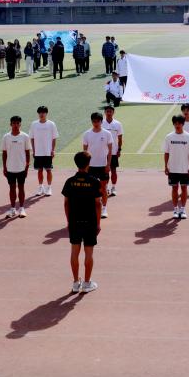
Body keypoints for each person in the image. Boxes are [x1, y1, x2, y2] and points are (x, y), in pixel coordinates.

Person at [62, 151, 102, 293]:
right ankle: (86, 283)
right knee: (89, 252)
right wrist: (98, 223)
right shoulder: (94, 182)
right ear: (88, 164)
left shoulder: (70, 181)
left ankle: (75, 283)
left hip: (74, 221)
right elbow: (98, 204)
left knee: (74, 251)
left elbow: (66, 203)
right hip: (90, 221)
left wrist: (68, 221)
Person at [164, 115, 189, 219]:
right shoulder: (169, 137)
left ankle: (182, 210)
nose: (177, 125)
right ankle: (175, 209)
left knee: (184, 188)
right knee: (174, 189)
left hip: (184, 169)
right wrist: (166, 166)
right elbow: (166, 153)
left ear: (183, 124)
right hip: (173, 168)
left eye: (179, 123)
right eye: (175, 123)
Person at [82, 112, 115, 218]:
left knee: (103, 187)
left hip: (103, 165)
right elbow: (85, 152)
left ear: (101, 122)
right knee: (90, 188)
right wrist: (85, 166)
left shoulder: (107, 134)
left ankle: (104, 208)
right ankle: (92, 207)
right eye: (94, 121)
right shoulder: (87, 134)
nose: (95, 123)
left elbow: (110, 151)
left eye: (98, 121)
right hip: (90, 166)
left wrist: (108, 164)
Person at [1, 115, 32, 218]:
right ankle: (13, 209)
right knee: (12, 188)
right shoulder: (6, 137)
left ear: (20, 124)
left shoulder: (25, 136)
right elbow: (4, 153)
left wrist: (27, 167)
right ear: (10, 124)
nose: (16, 125)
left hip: (21, 168)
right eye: (14, 123)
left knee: (21, 187)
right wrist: (4, 167)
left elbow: (27, 153)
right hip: (10, 168)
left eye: (18, 123)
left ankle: (22, 209)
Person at [30, 106, 59, 196]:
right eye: (40, 112)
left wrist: (53, 150)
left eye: (43, 112)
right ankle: (40, 187)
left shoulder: (51, 124)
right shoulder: (34, 124)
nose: (41, 114)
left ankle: (49, 187)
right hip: (38, 152)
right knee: (39, 170)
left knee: (48, 170)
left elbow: (54, 138)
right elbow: (32, 138)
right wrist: (33, 150)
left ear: (46, 113)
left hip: (47, 152)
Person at [100, 105, 124, 197]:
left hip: (113, 152)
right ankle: (105, 187)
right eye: (107, 111)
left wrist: (119, 149)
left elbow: (120, 138)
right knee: (104, 171)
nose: (109, 113)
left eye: (110, 111)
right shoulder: (101, 123)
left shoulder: (118, 124)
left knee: (113, 170)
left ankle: (113, 188)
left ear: (113, 112)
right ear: (105, 113)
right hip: (103, 152)